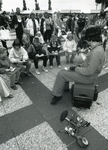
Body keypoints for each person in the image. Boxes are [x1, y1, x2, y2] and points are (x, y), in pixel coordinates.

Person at [50, 25, 105, 105]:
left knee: (61, 74)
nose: (86, 41)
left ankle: (57, 95)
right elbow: (88, 63)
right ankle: (64, 88)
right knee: (65, 70)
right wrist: (78, 66)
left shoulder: (96, 52)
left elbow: (89, 71)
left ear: (90, 39)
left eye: (86, 39)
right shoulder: (98, 48)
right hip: (88, 75)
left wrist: (76, 69)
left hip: (88, 77)